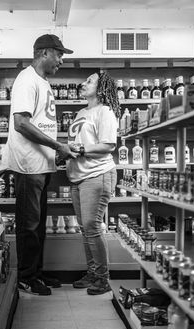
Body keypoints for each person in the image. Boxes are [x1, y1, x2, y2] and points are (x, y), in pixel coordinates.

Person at [2, 34, 77, 296]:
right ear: (45, 53)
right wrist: (58, 146)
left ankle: (36, 273)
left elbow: (41, 124)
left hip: (42, 165)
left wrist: (56, 153)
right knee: (29, 225)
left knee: (38, 224)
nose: (61, 61)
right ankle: (26, 277)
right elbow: (21, 124)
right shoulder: (27, 80)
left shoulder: (43, 82)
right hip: (28, 166)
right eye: (59, 55)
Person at [66, 72, 120, 295]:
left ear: (101, 88)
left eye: (89, 81)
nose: (83, 83)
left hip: (97, 175)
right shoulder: (82, 111)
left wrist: (78, 150)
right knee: (86, 229)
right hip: (79, 176)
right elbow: (80, 142)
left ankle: (102, 278)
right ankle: (93, 273)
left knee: (92, 227)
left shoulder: (104, 111)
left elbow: (108, 145)